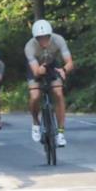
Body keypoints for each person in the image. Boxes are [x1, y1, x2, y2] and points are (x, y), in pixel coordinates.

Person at [25, 19, 74, 147]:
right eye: (40, 38)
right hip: (36, 67)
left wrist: (64, 70)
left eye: (46, 37)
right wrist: (38, 71)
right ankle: (35, 122)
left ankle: (61, 132)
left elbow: (69, 62)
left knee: (58, 93)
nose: (43, 41)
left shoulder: (59, 40)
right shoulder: (29, 47)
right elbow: (35, 71)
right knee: (35, 96)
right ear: (35, 38)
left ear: (50, 35)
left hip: (53, 66)